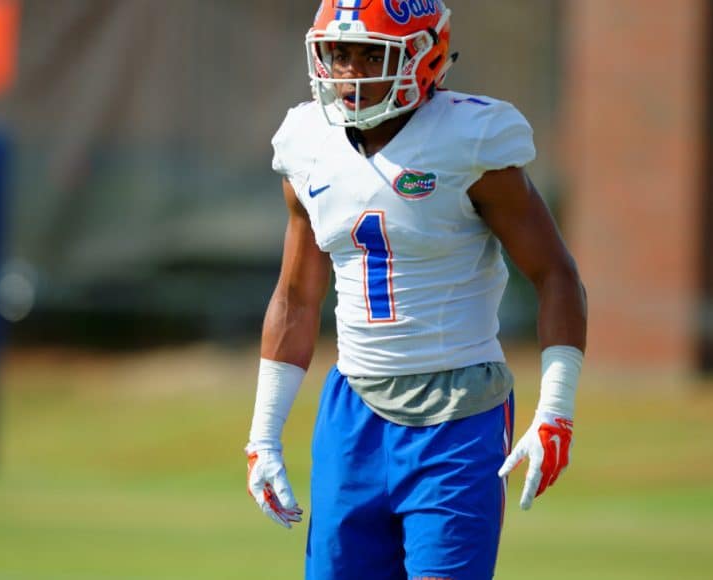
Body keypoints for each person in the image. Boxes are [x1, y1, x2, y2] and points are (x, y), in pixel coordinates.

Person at [245, 1, 587, 578]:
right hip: (351, 413)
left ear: (424, 56)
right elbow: (297, 296)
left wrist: (556, 410)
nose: (350, 72)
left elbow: (556, 275)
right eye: (339, 53)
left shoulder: (471, 140)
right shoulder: (307, 142)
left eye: (369, 54)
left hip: (458, 414)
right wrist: (264, 432)